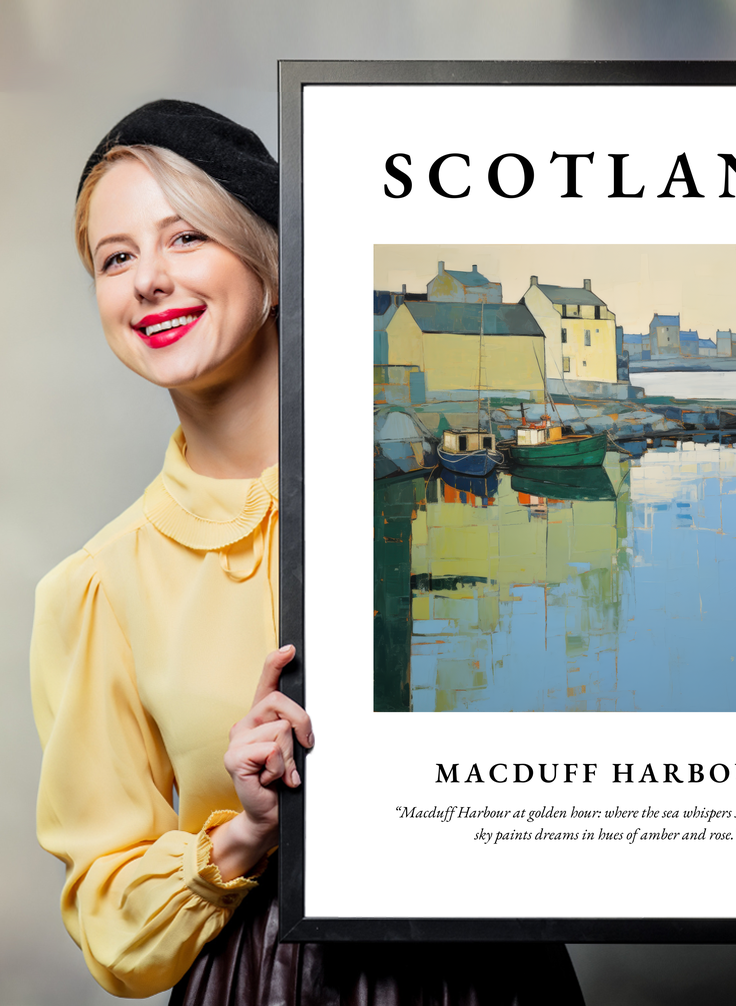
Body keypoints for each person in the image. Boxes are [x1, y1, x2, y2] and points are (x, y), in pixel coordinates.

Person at [30, 100, 585, 1004]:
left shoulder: (422, 493)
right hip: (264, 981)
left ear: (273, 265)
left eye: (185, 239)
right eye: (116, 257)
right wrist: (245, 832)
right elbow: (110, 924)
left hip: (493, 971)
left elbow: (596, 703)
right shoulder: (97, 587)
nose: (148, 281)